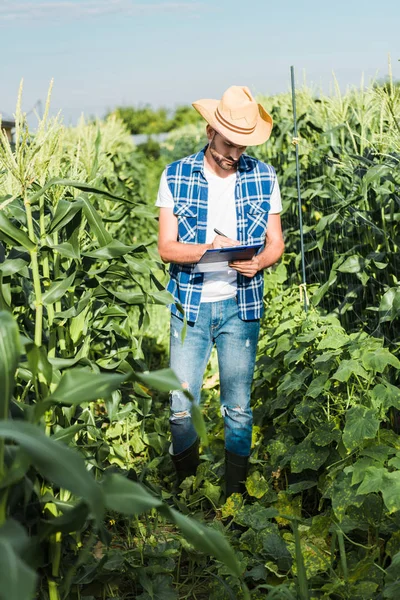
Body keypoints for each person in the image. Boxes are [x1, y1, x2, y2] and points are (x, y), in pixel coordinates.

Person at [156, 85, 284, 497]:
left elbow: (276, 243)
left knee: (239, 409)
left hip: (239, 306)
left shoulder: (264, 176)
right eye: (229, 143)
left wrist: (259, 261)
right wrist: (206, 250)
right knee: (181, 406)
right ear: (210, 131)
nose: (234, 154)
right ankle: (188, 490)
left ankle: (234, 498)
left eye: (242, 146)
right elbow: (165, 248)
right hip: (189, 305)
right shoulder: (176, 175)